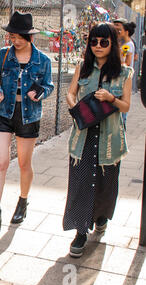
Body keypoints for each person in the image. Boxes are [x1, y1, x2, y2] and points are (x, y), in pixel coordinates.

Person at [64, 22, 133, 258]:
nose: (98, 46)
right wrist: (76, 110)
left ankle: (101, 218)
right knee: (81, 185)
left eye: (104, 42)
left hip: (109, 141)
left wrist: (111, 98)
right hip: (83, 137)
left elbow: (126, 106)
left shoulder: (124, 72)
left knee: (105, 187)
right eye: (93, 42)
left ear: (112, 44)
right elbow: (71, 93)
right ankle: (81, 232)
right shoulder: (83, 67)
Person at [0, 11, 54, 233]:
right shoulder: (3, 55)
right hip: (4, 113)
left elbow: (49, 85)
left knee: (24, 164)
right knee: (1, 162)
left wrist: (40, 93)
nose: (13, 40)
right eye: (11, 36)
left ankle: (23, 201)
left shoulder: (42, 60)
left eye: (17, 37)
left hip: (29, 116)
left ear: (29, 37)